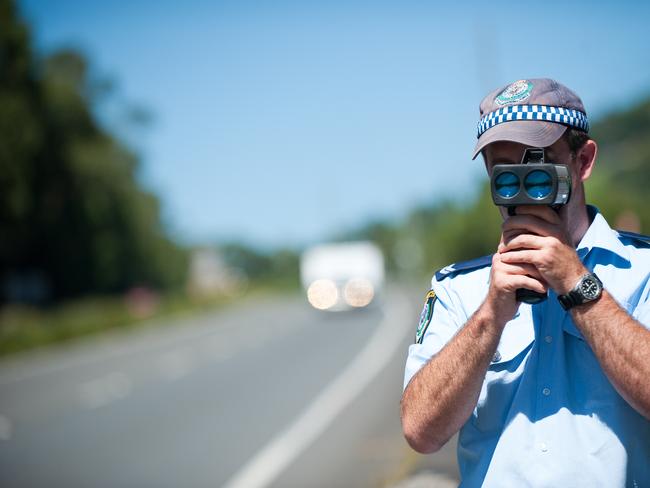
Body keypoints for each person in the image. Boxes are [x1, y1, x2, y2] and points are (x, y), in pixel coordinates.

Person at [400, 78, 650, 487]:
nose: (524, 188)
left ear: (582, 161)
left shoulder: (643, 270)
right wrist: (490, 316)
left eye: (539, 167)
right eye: (505, 172)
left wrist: (579, 285)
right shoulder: (458, 289)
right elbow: (421, 432)